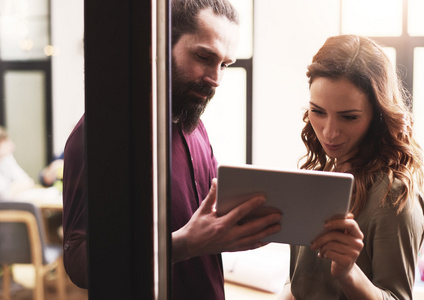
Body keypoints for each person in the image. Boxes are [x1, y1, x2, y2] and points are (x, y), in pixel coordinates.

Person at [62, 0, 282, 298]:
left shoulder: (195, 127)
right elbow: (79, 262)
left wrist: (239, 230)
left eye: (225, 65)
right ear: (160, 44)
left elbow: (202, 227)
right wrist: (184, 245)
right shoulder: (103, 134)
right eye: (204, 56)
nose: (216, 79)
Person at [279, 34, 424, 300]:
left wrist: (348, 273)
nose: (329, 133)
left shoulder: (393, 196)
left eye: (349, 117)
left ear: (378, 115)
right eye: (318, 111)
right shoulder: (318, 178)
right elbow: (299, 286)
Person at [0, 126, 34, 199]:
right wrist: (16, 187)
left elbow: (28, 181)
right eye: (6, 142)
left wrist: (12, 188)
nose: (12, 146)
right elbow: (4, 195)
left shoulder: (6, 159)